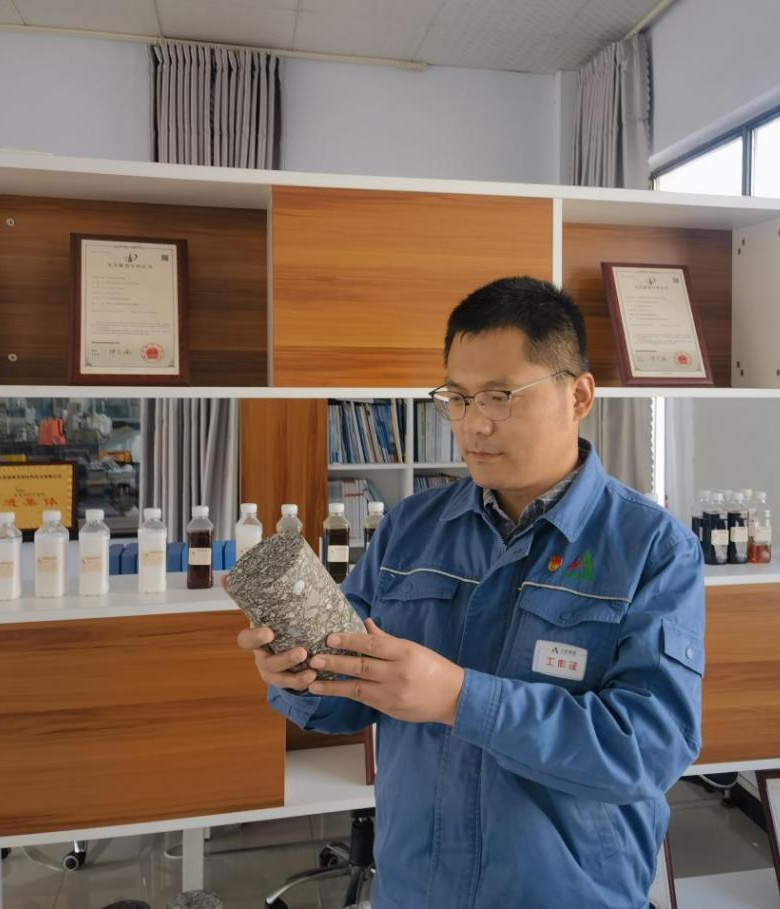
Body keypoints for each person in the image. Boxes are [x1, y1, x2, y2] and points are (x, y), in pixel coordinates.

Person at [237, 276, 705, 908]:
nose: (473, 424)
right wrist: (298, 674)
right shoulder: (411, 528)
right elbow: (349, 699)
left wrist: (460, 698)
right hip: (414, 890)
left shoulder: (652, 548)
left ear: (578, 395)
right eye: (456, 398)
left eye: (499, 397)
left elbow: (647, 749)